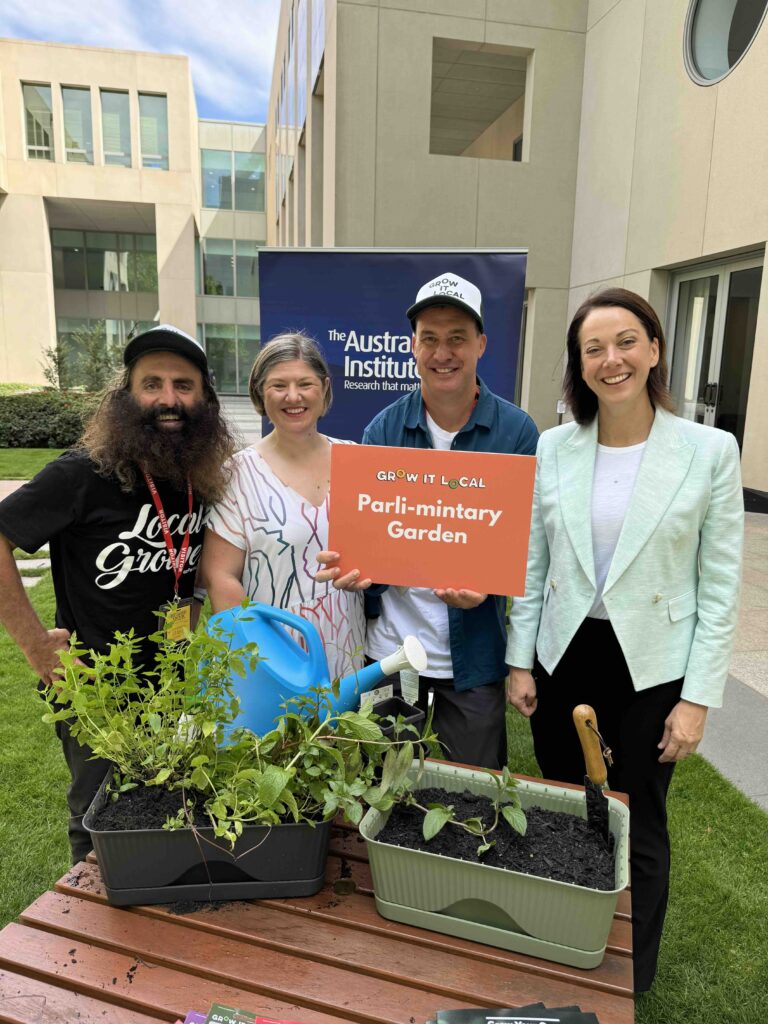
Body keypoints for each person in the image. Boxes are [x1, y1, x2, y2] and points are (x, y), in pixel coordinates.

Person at [506, 288, 744, 992]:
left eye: (626, 342)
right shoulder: (555, 448)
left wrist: (697, 700)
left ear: (655, 350)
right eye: (593, 349)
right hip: (564, 657)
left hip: (652, 667)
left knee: (637, 821)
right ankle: (560, 946)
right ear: (579, 367)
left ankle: (629, 977)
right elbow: (531, 564)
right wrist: (521, 662)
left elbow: (720, 584)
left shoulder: (708, 451)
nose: (612, 359)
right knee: (560, 808)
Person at [0, 324, 237, 863]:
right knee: (99, 821)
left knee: (165, 810)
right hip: (95, 688)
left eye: (184, 385)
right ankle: (83, 935)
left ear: (205, 399)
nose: (168, 399)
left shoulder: (198, 475)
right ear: (126, 394)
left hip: (175, 687)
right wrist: (37, 646)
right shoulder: (83, 472)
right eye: (151, 383)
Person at [317, 272, 539, 769]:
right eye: (430, 339)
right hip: (390, 655)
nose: (444, 353)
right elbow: (370, 541)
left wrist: (489, 585)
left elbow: (529, 550)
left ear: (481, 344)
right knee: (382, 791)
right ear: (412, 346)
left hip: (473, 661)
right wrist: (355, 572)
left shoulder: (517, 432)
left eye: (457, 338)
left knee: (469, 801)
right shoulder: (383, 429)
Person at [201, 333, 365, 684]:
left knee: (347, 738)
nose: (293, 396)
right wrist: (260, 662)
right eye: (279, 385)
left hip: (349, 655)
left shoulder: (357, 461)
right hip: (272, 662)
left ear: (324, 389)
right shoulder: (237, 474)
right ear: (261, 392)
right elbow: (221, 576)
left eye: (305, 383)